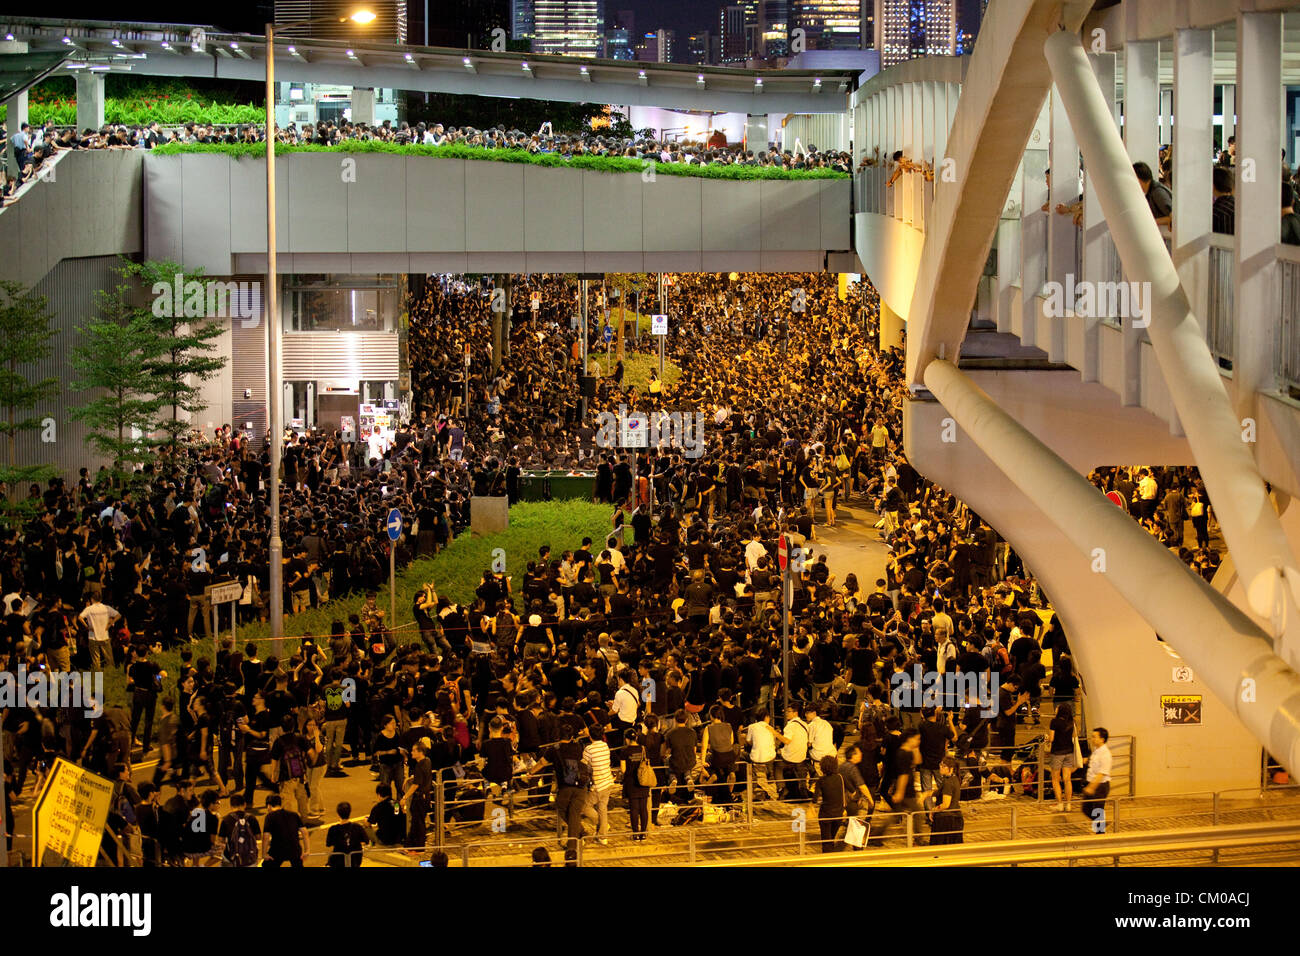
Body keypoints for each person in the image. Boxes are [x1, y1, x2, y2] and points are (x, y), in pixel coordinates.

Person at [581, 722, 616, 845]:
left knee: (585, 807)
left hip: (598, 784)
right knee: (602, 808)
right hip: (608, 781)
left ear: (590, 736)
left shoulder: (588, 749)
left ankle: (603, 825)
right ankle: (603, 836)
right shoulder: (605, 746)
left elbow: (583, 765)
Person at [618, 728, 651, 841]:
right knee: (643, 808)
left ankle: (636, 833)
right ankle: (644, 833)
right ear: (636, 737)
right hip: (643, 781)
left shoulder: (624, 751)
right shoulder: (643, 749)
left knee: (634, 809)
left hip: (631, 783)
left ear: (627, 739)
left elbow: (623, 770)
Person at [261, 794, 309, 866]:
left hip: (277, 850)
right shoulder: (294, 815)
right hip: (295, 849)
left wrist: (264, 853)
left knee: (267, 865)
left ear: (269, 805)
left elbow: (266, 837)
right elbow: (305, 832)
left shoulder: (270, 817)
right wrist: (307, 851)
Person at [743, 707, 779, 801]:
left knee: (745, 755)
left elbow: (748, 741)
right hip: (770, 757)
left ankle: (754, 779)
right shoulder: (770, 728)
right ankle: (770, 774)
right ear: (766, 717)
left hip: (755, 758)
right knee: (772, 754)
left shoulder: (752, 726)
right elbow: (774, 742)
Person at [1081, 726, 1112, 832]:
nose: (1092, 739)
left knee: (1097, 810)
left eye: (1095, 737)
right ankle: (1101, 824)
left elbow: (1102, 773)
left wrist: (1091, 787)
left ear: (1102, 739)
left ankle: (1100, 833)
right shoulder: (1096, 751)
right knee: (1086, 809)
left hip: (1100, 786)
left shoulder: (1105, 754)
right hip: (1092, 783)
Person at [927, 756, 964, 845]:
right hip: (955, 818)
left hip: (946, 821)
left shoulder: (948, 782)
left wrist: (933, 810)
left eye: (944, 766)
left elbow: (945, 804)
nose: (941, 767)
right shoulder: (954, 778)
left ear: (951, 769)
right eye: (941, 764)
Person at [1048, 702, 1077, 811]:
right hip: (1069, 752)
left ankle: (1060, 804)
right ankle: (1068, 804)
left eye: (1057, 708)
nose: (1056, 709)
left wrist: (1047, 738)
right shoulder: (1071, 722)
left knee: (1055, 779)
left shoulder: (1054, 722)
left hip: (1057, 753)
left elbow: (1051, 738)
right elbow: (1075, 735)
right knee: (1067, 779)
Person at [814, 754, 847, 852]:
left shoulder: (821, 781)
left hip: (826, 814)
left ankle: (827, 858)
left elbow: (815, 799)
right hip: (838, 814)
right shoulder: (840, 777)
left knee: (826, 840)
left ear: (822, 767)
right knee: (832, 838)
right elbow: (852, 790)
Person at [218, 793, 261, 867]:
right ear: (244, 804)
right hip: (249, 858)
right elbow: (258, 837)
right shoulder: (252, 818)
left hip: (231, 858)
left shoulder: (226, 820)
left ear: (231, 806)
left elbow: (221, 839)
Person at [326, 801, 371, 867]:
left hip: (339, 861)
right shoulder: (357, 827)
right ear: (349, 812)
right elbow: (366, 841)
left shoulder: (333, 829)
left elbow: (329, 844)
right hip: (355, 861)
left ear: (338, 814)